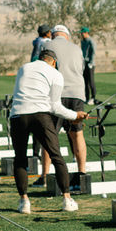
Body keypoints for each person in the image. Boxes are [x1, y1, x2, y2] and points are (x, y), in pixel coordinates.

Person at [9, 49, 87, 214]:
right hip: (40, 116)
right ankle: (67, 199)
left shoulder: (23, 68)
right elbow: (55, 106)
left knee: (20, 159)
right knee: (56, 156)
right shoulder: (55, 73)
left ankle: (24, 202)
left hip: (17, 115)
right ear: (54, 62)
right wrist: (75, 116)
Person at [41, 25, 88, 186]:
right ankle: (82, 173)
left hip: (56, 93)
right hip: (76, 93)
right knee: (77, 134)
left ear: (53, 35)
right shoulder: (76, 48)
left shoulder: (47, 45)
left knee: (49, 135)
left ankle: (45, 176)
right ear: (66, 36)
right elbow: (81, 69)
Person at [80, 27, 96, 103]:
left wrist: (91, 63)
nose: (81, 34)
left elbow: (93, 53)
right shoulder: (83, 41)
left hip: (90, 64)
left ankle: (93, 98)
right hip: (84, 63)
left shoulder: (91, 41)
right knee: (85, 81)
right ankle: (86, 97)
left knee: (91, 81)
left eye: (82, 33)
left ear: (86, 33)